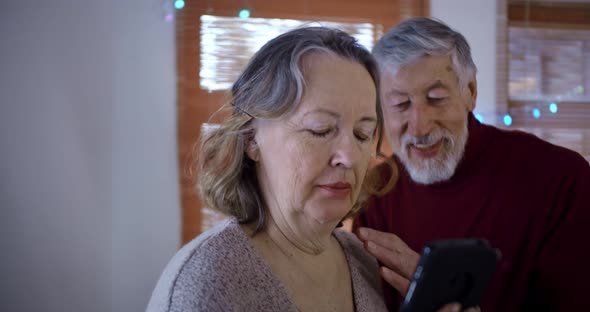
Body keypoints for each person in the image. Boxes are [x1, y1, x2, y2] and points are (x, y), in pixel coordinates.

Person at [353, 17, 590, 311]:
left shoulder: (562, 178)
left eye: (436, 98)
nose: (419, 127)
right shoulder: (378, 189)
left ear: (471, 93)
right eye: (400, 105)